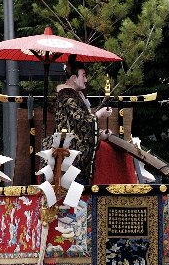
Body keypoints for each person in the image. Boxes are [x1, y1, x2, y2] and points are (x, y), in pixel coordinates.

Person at [51, 55, 125, 185]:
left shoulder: (74, 97)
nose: (86, 79)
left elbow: (81, 128)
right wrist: (98, 115)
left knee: (78, 200)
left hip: (76, 159)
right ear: (74, 78)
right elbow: (80, 121)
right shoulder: (66, 98)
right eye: (83, 76)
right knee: (74, 200)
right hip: (70, 159)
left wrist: (99, 134)